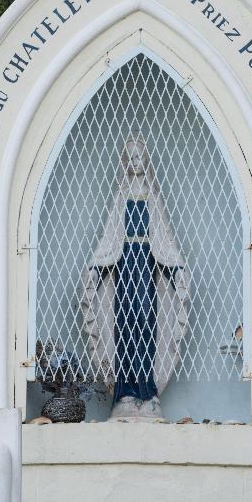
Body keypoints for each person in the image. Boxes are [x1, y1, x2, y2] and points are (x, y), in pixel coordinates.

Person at [80, 135, 189, 420]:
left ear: (146, 161)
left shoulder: (152, 197)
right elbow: (109, 237)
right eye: (130, 158)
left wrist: (176, 267)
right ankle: (125, 392)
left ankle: (147, 391)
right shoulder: (121, 196)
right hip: (124, 267)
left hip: (146, 267)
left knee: (146, 323)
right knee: (125, 325)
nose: (136, 162)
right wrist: (96, 267)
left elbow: (164, 236)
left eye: (139, 156)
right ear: (125, 163)